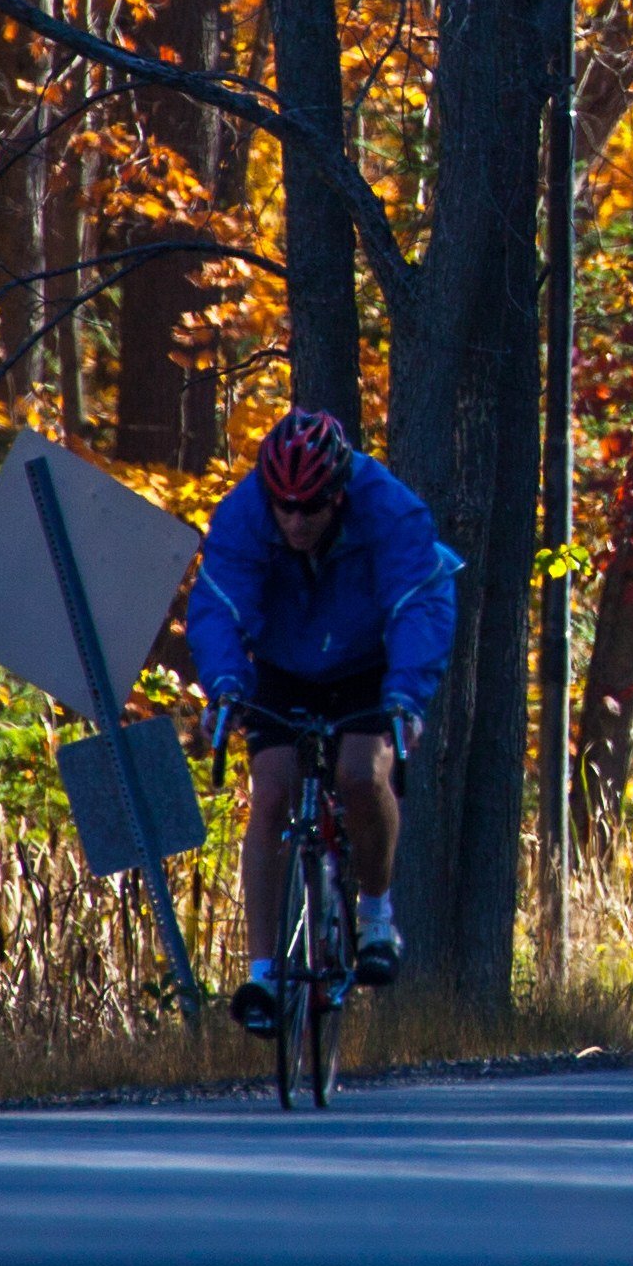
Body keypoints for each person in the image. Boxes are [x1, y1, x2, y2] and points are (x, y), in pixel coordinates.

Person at [190, 408, 458, 1033]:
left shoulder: (390, 511)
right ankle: (263, 975)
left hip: (370, 660)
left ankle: (376, 914)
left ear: (338, 495)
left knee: (363, 774)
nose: (295, 520)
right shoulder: (242, 515)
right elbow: (218, 607)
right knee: (274, 790)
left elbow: (421, 603)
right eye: (283, 506)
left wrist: (407, 699)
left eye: (310, 506)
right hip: (283, 661)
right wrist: (225, 687)